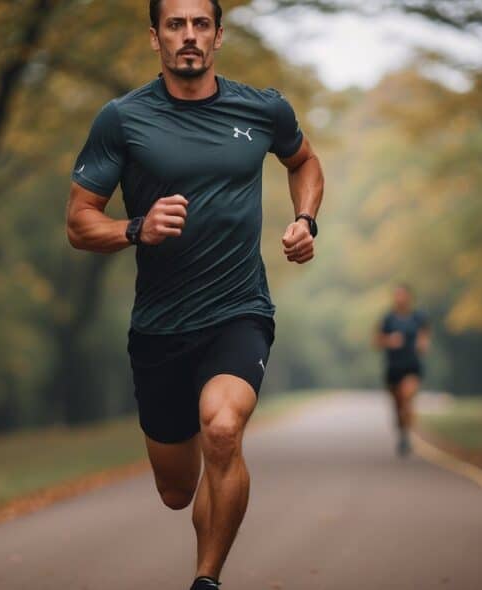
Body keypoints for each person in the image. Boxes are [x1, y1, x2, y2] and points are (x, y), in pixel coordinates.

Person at [65, 0, 324, 587]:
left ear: (218, 36)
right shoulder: (122, 119)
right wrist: (136, 227)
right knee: (177, 490)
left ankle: (206, 578)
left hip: (239, 311)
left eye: (200, 24)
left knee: (223, 429)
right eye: (175, 25)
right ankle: (208, 491)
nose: (189, 36)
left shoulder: (262, 109)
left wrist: (305, 220)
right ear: (155, 37)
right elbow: (80, 222)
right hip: (159, 327)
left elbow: (303, 161)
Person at [374, 284, 430, 457]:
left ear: (409, 297)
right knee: (398, 406)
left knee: (407, 397)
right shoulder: (388, 319)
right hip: (393, 367)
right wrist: (389, 340)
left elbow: (425, 337)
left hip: (411, 366)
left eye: (402, 295)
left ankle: (407, 436)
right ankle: (403, 432)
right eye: (397, 295)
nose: (400, 298)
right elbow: (376, 342)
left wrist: (422, 344)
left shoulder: (418, 318)